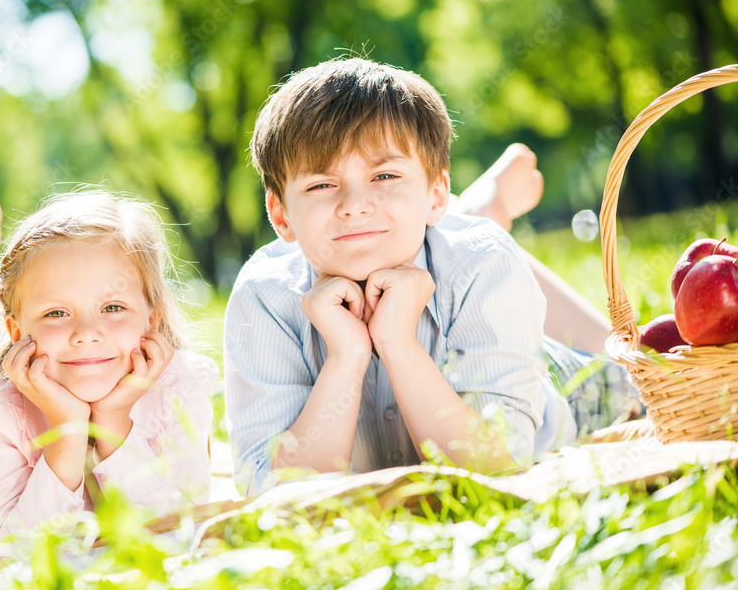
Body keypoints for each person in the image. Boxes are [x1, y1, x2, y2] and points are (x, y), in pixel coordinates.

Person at [224, 58, 637, 497]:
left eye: (384, 175)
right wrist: (346, 357)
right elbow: (272, 497)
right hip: (433, 240)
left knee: (640, 360)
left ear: (436, 194)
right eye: (322, 185)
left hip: (563, 385)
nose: (354, 204)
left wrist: (398, 344)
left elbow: (497, 468)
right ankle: (478, 205)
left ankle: (477, 210)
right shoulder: (264, 298)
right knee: (432, 230)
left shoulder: (482, 263)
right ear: (280, 214)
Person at [0, 191, 217, 563]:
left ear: (152, 318)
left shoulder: (178, 386)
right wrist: (67, 430)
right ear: (16, 332)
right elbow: (11, 554)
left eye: (112, 307)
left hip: (12, 394)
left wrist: (114, 422)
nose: (86, 332)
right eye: (56, 313)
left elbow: (178, 531)